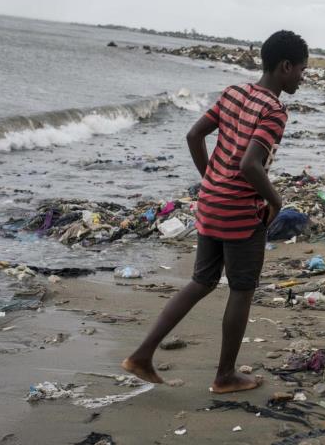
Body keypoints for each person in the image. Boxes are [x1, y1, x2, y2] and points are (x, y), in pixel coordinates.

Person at [122, 30, 308, 393]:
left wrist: (210, 178)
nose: (303, 76)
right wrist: (275, 201)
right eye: (302, 69)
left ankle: (142, 355)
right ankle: (224, 376)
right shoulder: (274, 110)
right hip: (241, 212)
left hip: (210, 203)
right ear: (285, 66)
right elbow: (251, 166)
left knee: (202, 281)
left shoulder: (234, 92)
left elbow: (194, 135)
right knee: (241, 289)